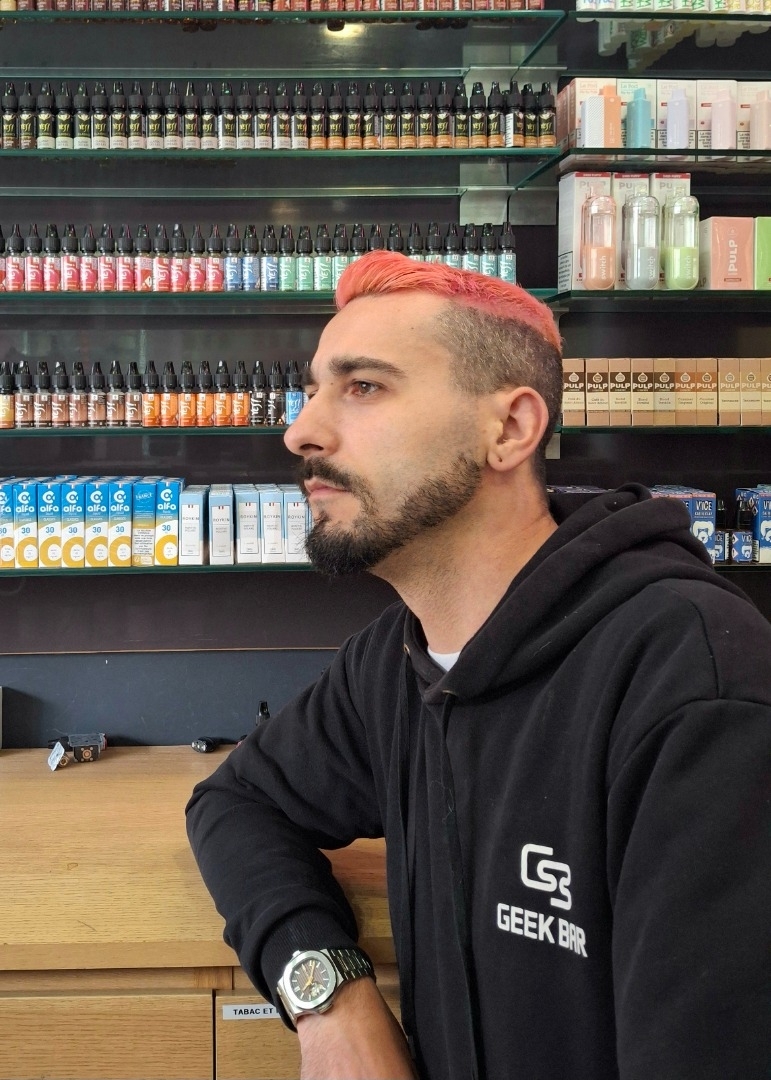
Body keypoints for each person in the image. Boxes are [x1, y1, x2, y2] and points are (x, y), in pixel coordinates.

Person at [186, 251, 771, 1080]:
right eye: (313, 389)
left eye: (363, 387)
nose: (301, 432)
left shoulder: (691, 683)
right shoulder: (393, 661)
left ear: (509, 429)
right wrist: (327, 996)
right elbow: (236, 803)